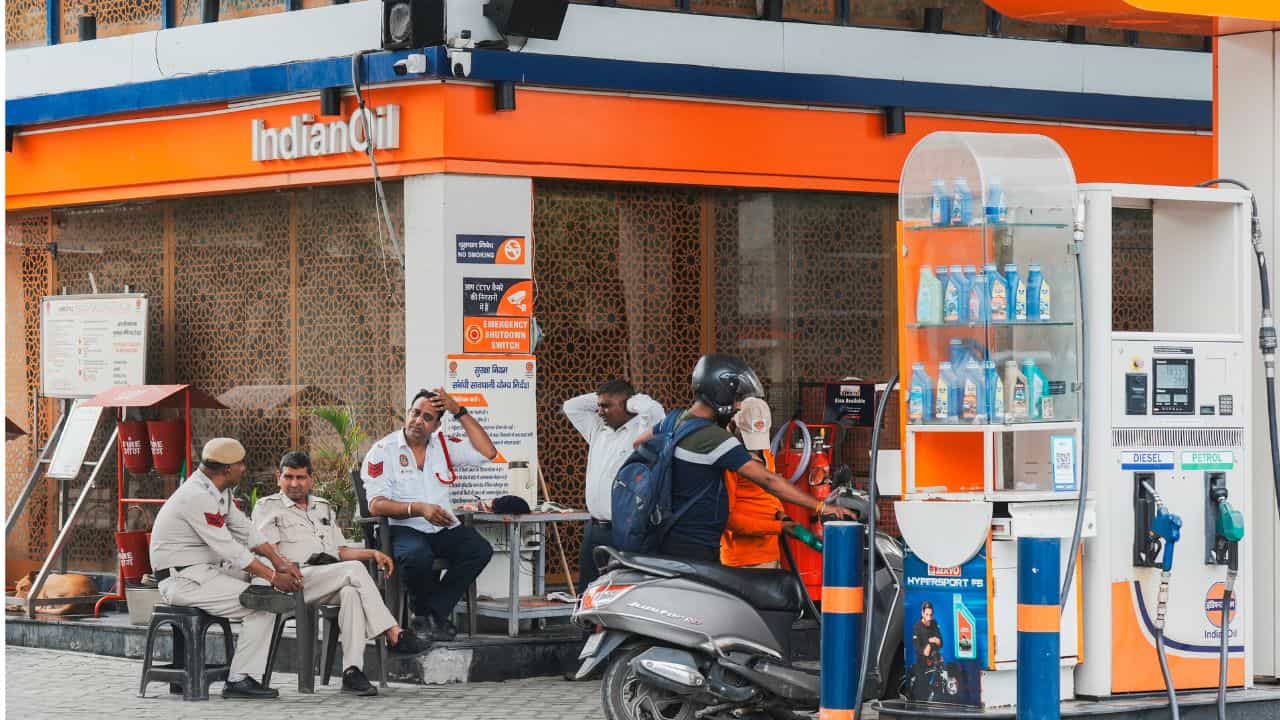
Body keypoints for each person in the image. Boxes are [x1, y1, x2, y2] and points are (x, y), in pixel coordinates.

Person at [634, 354, 856, 562]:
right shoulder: (715, 438)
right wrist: (821, 507)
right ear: (720, 393)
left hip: (667, 538)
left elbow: (639, 444)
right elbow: (769, 481)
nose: (738, 405)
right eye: (736, 398)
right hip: (697, 547)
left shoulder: (674, 420)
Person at [252, 451, 429, 696]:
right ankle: (394, 633)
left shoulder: (322, 507)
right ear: (278, 478)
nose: (294, 483)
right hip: (292, 580)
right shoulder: (267, 507)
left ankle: (351, 671)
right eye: (288, 477)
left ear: (311, 479)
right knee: (354, 571)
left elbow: (340, 551)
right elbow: (269, 552)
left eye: (300, 477)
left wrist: (372, 553)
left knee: (351, 593)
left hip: (326, 576)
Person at [149, 438, 302, 700]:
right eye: (240, 464)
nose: (244, 468)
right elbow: (230, 548)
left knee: (266, 585)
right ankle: (239, 680)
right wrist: (274, 577)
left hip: (205, 572)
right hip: (183, 580)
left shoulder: (219, 491)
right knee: (264, 604)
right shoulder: (196, 496)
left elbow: (246, 531)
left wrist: (279, 562)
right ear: (226, 469)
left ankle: (247, 667)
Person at [362, 388, 497, 642]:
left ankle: (432, 613)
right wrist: (419, 508)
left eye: (427, 418)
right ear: (407, 413)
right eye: (415, 413)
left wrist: (459, 411)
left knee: (479, 550)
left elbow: (488, 452)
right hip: (402, 528)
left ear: (436, 426)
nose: (418, 421)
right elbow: (376, 505)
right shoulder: (383, 450)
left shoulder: (443, 445)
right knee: (417, 555)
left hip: (441, 527)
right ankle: (424, 614)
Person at [563, 379, 665, 593]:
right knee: (587, 591)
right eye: (599, 406)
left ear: (628, 405)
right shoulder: (598, 428)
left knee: (623, 591)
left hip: (626, 530)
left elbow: (654, 410)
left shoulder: (642, 430)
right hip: (594, 528)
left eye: (607, 406)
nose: (600, 411)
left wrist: (632, 402)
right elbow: (571, 406)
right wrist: (603, 399)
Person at [720, 397, 791, 569]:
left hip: (770, 552)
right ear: (734, 426)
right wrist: (778, 527)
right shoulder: (728, 461)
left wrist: (780, 513)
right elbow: (728, 519)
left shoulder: (765, 453)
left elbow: (769, 494)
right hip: (742, 560)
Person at [911, 600, 945, 699]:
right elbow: (921, 650)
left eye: (931, 615)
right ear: (922, 613)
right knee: (923, 691)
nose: (929, 618)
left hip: (935, 661)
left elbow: (941, 642)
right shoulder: (917, 627)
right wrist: (931, 641)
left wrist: (933, 641)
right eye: (927, 614)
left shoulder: (934, 623)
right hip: (923, 663)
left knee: (941, 688)